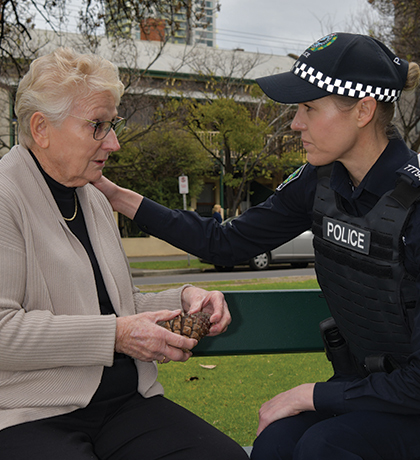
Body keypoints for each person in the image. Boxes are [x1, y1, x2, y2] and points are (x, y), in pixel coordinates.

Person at [94, 32, 420, 459]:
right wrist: (116, 195)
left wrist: (311, 395)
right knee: (275, 443)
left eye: (308, 107)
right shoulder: (320, 181)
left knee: (325, 446)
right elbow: (226, 243)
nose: (295, 123)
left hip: (407, 398)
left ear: (362, 110)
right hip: (366, 391)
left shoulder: (413, 207)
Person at [0, 46, 249, 460]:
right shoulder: (5, 197)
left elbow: (121, 303)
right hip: (28, 413)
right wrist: (115, 336)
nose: (113, 143)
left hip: (124, 404)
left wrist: (185, 300)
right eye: (98, 126)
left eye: (112, 125)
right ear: (41, 129)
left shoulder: (94, 199)